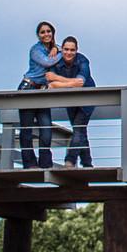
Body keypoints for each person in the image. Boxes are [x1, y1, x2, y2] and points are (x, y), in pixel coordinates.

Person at [46, 35, 95, 168]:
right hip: (70, 99)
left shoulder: (83, 60)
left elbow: (80, 82)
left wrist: (58, 78)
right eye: (66, 49)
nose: (69, 53)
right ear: (61, 49)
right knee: (80, 130)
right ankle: (87, 164)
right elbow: (51, 85)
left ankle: (70, 161)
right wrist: (69, 83)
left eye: (72, 50)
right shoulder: (56, 62)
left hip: (87, 98)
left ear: (76, 50)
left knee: (79, 127)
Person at [17, 20, 61, 169]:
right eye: (42, 32)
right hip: (28, 88)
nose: (46, 34)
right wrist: (60, 51)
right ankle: (29, 164)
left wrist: (57, 48)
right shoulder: (35, 50)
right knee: (26, 129)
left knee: (46, 128)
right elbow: (47, 63)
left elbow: (59, 51)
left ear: (52, 33)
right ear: (38, 35)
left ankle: (45, 164)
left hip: (43, 91)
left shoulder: (55, 48)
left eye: (48, 31)